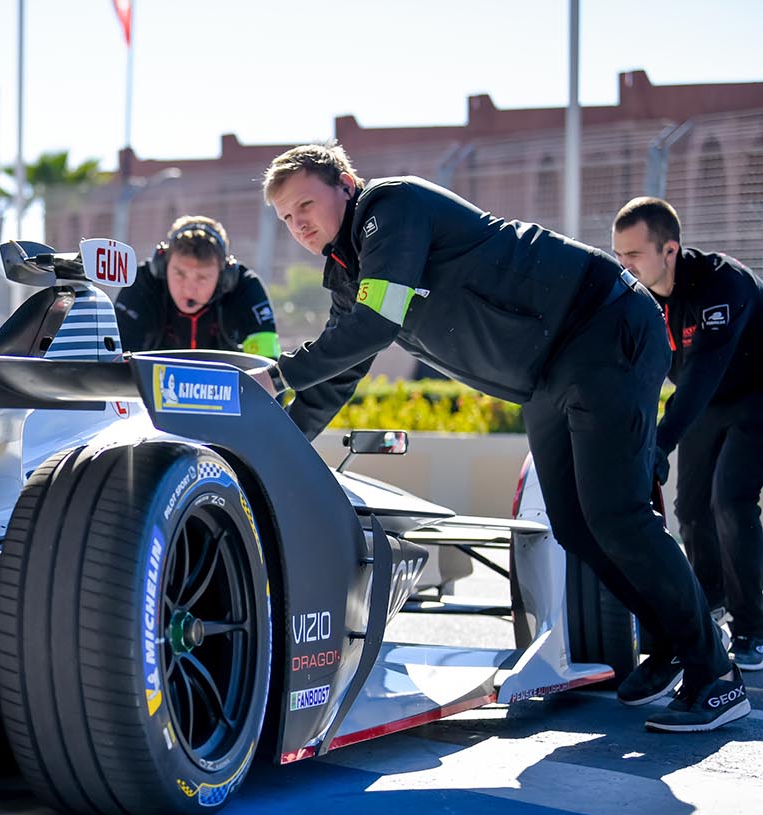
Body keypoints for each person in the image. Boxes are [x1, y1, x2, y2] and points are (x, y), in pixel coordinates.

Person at [261, 141, 748, 733]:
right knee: (572, 523)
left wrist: (279, 373)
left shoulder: (392, 208)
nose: (299, 224)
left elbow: (377, 322)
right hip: (546, 372)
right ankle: (676, 644)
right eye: (287, 217)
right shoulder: (348, 271)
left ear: (344, 183)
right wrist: (269, 448)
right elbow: (336, 379)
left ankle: (716, 675)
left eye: (306, 204)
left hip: (601, 325)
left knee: (617, 514)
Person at [612, 196, 763, 670]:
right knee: (691, 508)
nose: (626, 266)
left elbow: (700, 374)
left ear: (669, 250)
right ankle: (710, 609)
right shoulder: (641, 296)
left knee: (730, 500)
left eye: (634, 256)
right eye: (619, 256)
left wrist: (660, 441)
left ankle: (753, 630)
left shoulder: (723, 284)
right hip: (709, 403)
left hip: (757, 394)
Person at [113, 215, 278, 357]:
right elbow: (115, 361)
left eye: (202, 278)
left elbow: (269, 368)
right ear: (162, 265)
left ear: (224, 276)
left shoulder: (246, 288)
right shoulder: (143, 284)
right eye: (180, 274)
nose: (189, 289)